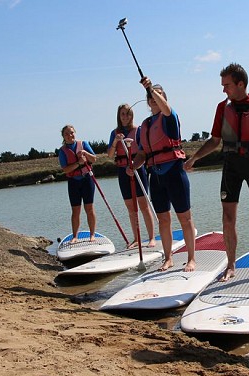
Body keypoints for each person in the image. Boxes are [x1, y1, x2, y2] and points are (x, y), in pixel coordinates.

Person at [184, 63, 249, 282]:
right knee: (228, 218)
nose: (224, 90)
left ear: (240, 84)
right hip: (231, 165)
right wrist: (194, 158)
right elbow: (214, 141)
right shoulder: (223, 108)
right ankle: (231, 266)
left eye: (227, 85)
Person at [129, 77, 197, 272]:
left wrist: (151, 87)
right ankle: (168, 258)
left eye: (156, 95)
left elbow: (166, 108)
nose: (152, 98)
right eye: (149, 96)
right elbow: (142, 153)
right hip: (156, 177)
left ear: (163, 98)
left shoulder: (169, 116)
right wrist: (133, 166)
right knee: (164, 220)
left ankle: (192, 259)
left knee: (185, 218)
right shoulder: (145, 125)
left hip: (175, 172)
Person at [107, 103, 156, 249]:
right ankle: (136, 239)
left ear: (132, 115)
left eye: (128, 113)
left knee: (143, 205)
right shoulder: (114, 133)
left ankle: (152, 238)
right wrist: (116, 141)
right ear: (119, 116)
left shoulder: (139, 131)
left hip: (137, 169)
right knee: (131, 207)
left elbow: (144, 152)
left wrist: (135, 165)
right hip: (123, 171)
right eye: (122, 114)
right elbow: (110, 155)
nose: (125, 116)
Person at [58, 124, 98, 244]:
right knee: (76, 210)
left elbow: (94, 159)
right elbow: (65, 170)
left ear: (75, 133)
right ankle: (75, 236)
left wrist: (85, 154)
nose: (70, 135)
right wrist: (78, 163)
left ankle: (92, 235)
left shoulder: (83, 144)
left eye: (71, 133)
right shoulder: (62, 151)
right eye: (67, 134)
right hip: (74, 182)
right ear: (63, 137)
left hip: (87, 179)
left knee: (89, 208)